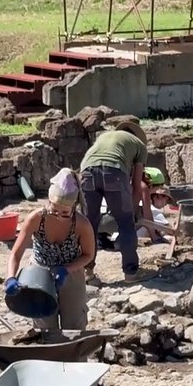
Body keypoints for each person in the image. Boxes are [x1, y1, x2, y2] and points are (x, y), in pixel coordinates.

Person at [4, 168, 96, 333]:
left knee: (74, 324)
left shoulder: (81, 224)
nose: (59, 216)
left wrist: (67, 270)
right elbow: (16, 254)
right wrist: (10, 278)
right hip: (40, 272)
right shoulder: (36, 219)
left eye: (65, 213)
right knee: (44, 327)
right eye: (54, 210)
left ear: (74, 206)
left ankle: (73, 356)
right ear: (48, 202)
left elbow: (89, 255)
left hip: (70, 272)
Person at [78, 119, 149, 282]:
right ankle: (130, 274)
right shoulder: (140, 146)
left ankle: (87, 273)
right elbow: (137, 186)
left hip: (86, 173)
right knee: (126, 224)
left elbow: (95, 163)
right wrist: (133, 211)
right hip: (114, 174)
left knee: (88, 226)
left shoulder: (104, 137)